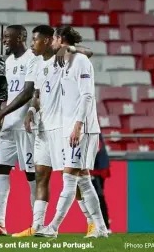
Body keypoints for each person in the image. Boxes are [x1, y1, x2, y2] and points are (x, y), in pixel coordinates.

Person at [12, 25, 94, 237]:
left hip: (62, 127)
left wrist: (68, 49)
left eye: (35, 40)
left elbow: (88, 52)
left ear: (48, 40)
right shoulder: (37, 63)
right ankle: (37, 226)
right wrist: (31, 109)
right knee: (41, 175)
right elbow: (38, 93)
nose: (31, 44)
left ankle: (92, 221)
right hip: (43, 127)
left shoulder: (64, 57)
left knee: (73, 176)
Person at [35, 25, 108, 238]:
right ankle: (101, 228)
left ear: (59, 38)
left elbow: (86, 96)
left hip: (81, 127)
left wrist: (78, 125)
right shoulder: (64, 61)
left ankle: (53, 227)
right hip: (70, 127)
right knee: (83, 178)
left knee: (69, 177)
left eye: (55, 39)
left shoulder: (81, 61)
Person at [0, 25, 39, 236]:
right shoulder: (9, 62)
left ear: (21, 37)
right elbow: (9, 94)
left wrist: (1, 115)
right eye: (3, 37)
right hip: (9, 125)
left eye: (8, 37)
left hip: (26, 126)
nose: (4, 41)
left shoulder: (33, 58)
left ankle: (37, 224)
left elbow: (28, 92)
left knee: (32, 174)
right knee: (0, 169)